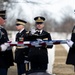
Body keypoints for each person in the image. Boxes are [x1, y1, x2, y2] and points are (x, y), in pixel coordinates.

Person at [0, 10, 13, 75]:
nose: (5, 20)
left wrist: (9, 44)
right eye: (3, 18)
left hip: (4, 60)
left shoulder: (3, 30)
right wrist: (1, 48)